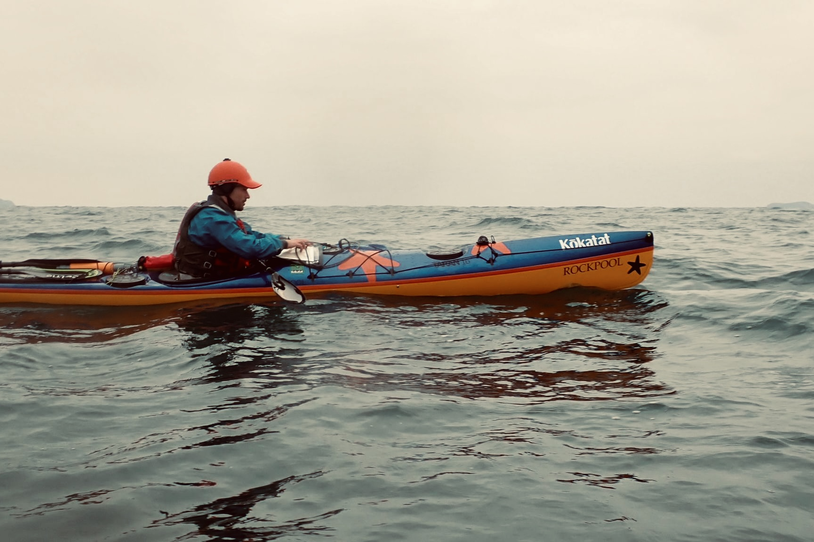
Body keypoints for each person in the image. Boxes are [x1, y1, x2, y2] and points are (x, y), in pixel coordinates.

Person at [173, 158, 311, 278]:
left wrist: (285, 240)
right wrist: (283, 245)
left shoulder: (220, 214)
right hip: (200, 281)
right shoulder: (212, 218)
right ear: (227, 189)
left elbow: (251, 235)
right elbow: (249, 248)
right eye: (244, 189)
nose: (248, 196)